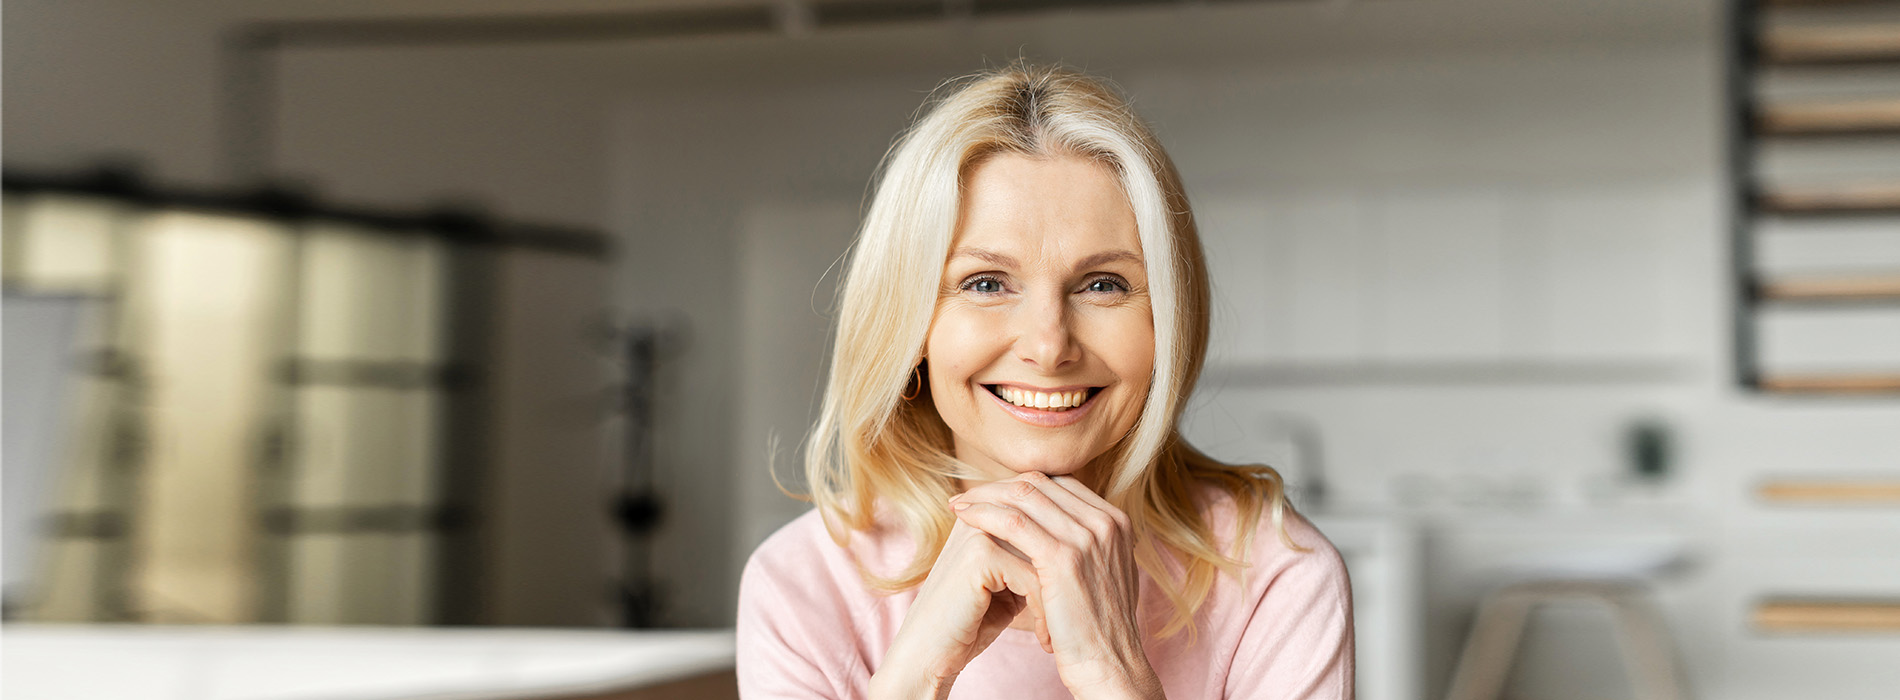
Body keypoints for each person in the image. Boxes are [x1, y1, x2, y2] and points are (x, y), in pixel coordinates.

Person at [736, 62, 1353, 700]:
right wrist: (915, 676)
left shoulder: (1278, 576)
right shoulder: (803, 583)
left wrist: (1113, 676)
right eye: (985, 283)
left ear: (1168, 318)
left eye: (1103, 284)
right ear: (912, 324)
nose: (1049, 345)